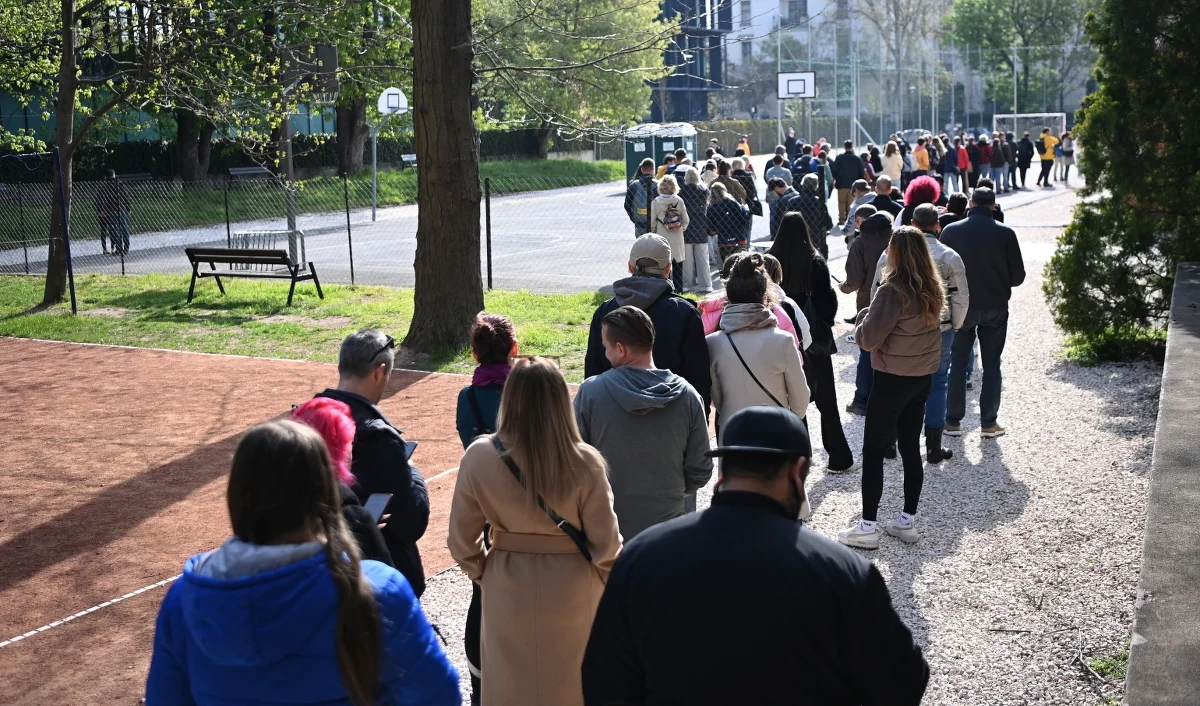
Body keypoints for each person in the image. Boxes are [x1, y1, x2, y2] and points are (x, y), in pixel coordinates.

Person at [581, 406, 930, 706]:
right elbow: (901, 684)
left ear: (723, 469)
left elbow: (604, 682)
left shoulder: (642, 558)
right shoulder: (843, 573)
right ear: (796, 472)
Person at [146, 420, 459, 706]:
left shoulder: (183, 599)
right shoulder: (379, 588)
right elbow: (437, 696)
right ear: (325, 491)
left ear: (238, 494)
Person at [449, 357, 623, 706]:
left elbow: (460, 541)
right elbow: (608, 550)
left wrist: (485, 572)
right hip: (574, 587)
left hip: (507, 582)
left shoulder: (479, 456)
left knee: (510, 687)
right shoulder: (585, 461)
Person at [838, 227, 944, 549]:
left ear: (894, 252)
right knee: (911, 448)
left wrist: (862, 319)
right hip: (920, 379)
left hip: (891, 379)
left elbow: (869, 340)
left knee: (873, 450)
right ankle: (906, 521)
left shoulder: (891, 290)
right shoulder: (931, 288)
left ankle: (867, 526)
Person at [575, 306, 712, 539]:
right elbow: (701, 468)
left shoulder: (591, 392)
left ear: (620, 349)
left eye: (606, 347)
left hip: (606, 530)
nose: (605, 354)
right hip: (668, 529)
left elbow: (574, 461)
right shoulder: (688, 396)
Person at [314, 330, 430, 596]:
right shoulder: (380, 439)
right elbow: (412, 522)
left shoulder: (304, 421)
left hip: (316, 575)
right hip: (377, 583)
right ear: (379, 372)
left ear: (341, 367)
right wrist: (412, 472)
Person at [454, 313, 518, 704]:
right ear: (514, 349)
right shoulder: (528, 393)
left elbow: (469, 448)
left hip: (487, 511)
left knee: (482, 601)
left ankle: (480, 685)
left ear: (475, 352)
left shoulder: (468, 398)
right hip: (534, 506)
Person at [874, 204, 970, 464]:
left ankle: (891, 442)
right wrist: (956, 325)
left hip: (898, 328)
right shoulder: (950, 257)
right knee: (938, 383)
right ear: (937, 224)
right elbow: (960, 298)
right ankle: (933, 447)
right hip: (940, 327)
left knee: (897, 382)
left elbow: (877, 295)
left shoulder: (889, 255)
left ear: (912, 224)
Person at [768, 214, 857, 473]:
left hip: (782, 337)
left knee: (793, 398)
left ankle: (801, 455)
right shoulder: (815, 260)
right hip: (815, 338)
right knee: (827, 399)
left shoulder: (771, 260)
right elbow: (828, 303)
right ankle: (839, 456)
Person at [585, 235, 711, 410]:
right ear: (668, 268)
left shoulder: (605, 312)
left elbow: (592, 372)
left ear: (630, 266)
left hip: (613, 416)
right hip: (671, 419)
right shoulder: (684, 313)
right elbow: (698, 377)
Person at [940, 186, 1024, 438]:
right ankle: (988, 421)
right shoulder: (1006, 233)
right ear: (993, 205)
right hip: (995, 305)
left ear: (970, 203)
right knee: (991, 364)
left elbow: (941, 271)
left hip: (961, 307)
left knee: (958, 363)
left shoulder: (951, 231)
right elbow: (1018, 277)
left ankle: (953, 420)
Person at [705, 253, 810, 434]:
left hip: (732, 430)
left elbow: (717, 399)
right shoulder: (783, 340)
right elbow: (800, 400)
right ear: (764, 296)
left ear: (728, 295)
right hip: (775, 429)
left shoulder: (712, 343)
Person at [291, 398, 393, 566]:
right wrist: (365, 529)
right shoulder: (348, 508)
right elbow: (386, 582)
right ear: (338, 449)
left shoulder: (271, 503)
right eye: (350, 443)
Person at [839, 212, 895, 416]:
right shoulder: (897, 239)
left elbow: (854, 279)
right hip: (897, 303)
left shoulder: (860, 242)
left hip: (867, 304)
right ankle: (888, 399)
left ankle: (862, 400)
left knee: (866, 353)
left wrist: (844, 288)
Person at [698, 252, 806, 349]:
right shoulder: (781, 321)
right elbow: (798, 356)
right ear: (764, 291)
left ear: (728, 287)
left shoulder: (709, 331)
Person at [649, 174, 690, 293]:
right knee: (678, 266)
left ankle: (665, 291)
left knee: (663, 266)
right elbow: (686, 220)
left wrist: (654, 232)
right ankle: (679, 291)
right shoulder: (679, 200)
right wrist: (680, 229)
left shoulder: (656, 202)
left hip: (662, 236)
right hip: (677, 237)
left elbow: (652, 221)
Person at [677, 167, 713, 293]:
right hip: (701, 224)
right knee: (702, 256)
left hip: (686, 226)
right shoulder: (704, 191)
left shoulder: (682, 192)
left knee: (687, 257)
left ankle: (687, 284)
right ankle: (706, 284)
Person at [706, 182, 751, 263]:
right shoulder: (732, 202)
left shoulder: (711, 207)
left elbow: (711, 228)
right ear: (724, 191)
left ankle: (723, 273)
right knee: (740, 262)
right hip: (739, 237)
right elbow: (744, 217)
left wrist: (714, 231)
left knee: (726, 264)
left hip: (723, 241)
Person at [98, 169, 131, 255]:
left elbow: (101, 200)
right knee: (124, 228)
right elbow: (126, 197)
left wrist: (100, 210)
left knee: (114, 229)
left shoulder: (105, 187)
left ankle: (119, 248)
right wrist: (128, 207)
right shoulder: (120, 184)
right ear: (114, 175)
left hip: (110, 210)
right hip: (121, 209)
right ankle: (126, 247)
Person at [831, 140, 865, 224]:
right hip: (853, 186)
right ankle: (850, 219)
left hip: (841, 184)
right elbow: (861, 172)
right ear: (852, 146)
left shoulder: (839, 157)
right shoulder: (857, 159)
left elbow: (834, 170)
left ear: (845, 147)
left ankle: (841, 219)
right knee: (851, 203)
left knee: (841, 203)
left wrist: (836, 179)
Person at [623, 158, 658, 236]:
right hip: (656, 225)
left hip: (640, 225)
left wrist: (635, 219)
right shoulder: (658, 185)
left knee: (641, 246)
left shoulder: (634, 185)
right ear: (653, 170)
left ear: (641, 170)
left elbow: (627, 205)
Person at [730, 157, 761, 235]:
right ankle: (746, 245)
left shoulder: (730, 177)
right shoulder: (748, 176)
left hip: (732, 206)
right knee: (747, 227)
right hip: (747, 205)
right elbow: (753, 191)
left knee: (733, 227)